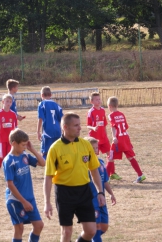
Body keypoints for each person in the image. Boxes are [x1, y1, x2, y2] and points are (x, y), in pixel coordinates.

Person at [44, 112, 106, 242]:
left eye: (80, 125)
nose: (80, 128)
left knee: (91, 231)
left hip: (84, 192)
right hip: (64, 193)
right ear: (65, 127)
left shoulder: (85, 144)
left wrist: (100, 192)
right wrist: (47, 202)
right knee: (66, 232)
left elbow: (94, 170)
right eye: (76, 125)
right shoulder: (55, 148)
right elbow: (48, 177)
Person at [3, 128, 45, 242]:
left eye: (26, 145)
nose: (25, 147)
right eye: (23, 145)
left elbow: (43, 163)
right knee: (19, 228)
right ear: (13, 143)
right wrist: (23, 202)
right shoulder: (9, 161)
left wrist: (33, 150)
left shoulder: (25, 155)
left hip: (29, 198)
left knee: (39, 225)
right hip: (16, 200)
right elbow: (10, 184)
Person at [107, 96, 146, 183]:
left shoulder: (110, 115)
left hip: (118, 139)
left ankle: (105, 178)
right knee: (130, 157)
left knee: (110, 157)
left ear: (109, 106)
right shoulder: (122, 114)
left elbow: (113, 127)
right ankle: (140, 174)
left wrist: (114, 137)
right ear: (117, 105)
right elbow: (126, 127)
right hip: (126, 138)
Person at [84, 136, 116, 242]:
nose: (95, 150)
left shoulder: (101, 162)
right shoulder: (84, 165)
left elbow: (105, 180)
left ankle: (83, 239)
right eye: (92, 148)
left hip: (101, 199)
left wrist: (111, 193)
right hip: (91, 201)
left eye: (96, 147)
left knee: (104, 227)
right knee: (96, 228)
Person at [87, 92, 121, 180]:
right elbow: (87, 125)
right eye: (96, 100)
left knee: (110, 154)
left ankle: (112, 173)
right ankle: (94, 174)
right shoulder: (91, 112)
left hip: (103, 138)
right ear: (92, 101)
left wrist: (105, 135)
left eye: (99, 99)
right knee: (94, 157)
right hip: (94, 139)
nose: (99, 101)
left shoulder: (102, 110)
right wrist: (93, 128)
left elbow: (104, 124)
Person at [0, 79, 25, 163]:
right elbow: (9, 112)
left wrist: (18, 116)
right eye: (16, 87)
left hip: (11, 123)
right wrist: (17, 117)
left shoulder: (11, 97)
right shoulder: (9, 98)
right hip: (7, 123)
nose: (17, 89)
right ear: (13, 88)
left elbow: (13, 112)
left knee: (4, 139)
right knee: (3, 138)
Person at [0, 94, 18, 174]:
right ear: (3, 102)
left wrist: (16, 133)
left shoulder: (13, 114)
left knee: (9, 154)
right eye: (7, 101)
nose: (9, 103)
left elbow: (15, 126)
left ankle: (8, 170)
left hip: (11, 138)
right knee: (3, 154)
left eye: (10, 102)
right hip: (2, 138)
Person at [37, 86, 63, 159]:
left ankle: (48, 169)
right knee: (57, 152)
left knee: (45, 153)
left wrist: (38, 131)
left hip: (47, 132)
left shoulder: (42, 104)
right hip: (57, 131)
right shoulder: (56, 105)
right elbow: (62, 119)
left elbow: (40, 118)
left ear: (42, 95)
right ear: (51, 95)